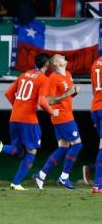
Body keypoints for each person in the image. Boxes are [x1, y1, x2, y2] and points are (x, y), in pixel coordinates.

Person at [0, 53, 57, 190]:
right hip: (29, 120)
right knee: (31, 152)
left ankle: (0, 147)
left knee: (16, 149)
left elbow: (8, 93)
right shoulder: (43, 79)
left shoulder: (24, 74)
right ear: (47, 65)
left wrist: (19, 106)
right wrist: (51, 111)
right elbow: (42, 101)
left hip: (14, 117)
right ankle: (16, 183)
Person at [34, 54, 82, 190]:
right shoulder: (53, 78)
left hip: (66, 113)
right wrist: (67, 94)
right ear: (56, 63)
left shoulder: (67, 74)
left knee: (63, 148)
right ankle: (64, 177)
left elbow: (69, 93)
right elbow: (48, 100)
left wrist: (74, 92)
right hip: (62, 116)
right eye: (61, 57)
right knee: (78, 145)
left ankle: (41, 175)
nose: (63, 56)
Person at [90, 56, 102, 193]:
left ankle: (98, 182)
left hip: (95, 108)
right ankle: (98, 184)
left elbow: (94, 90)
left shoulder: (95, 64)